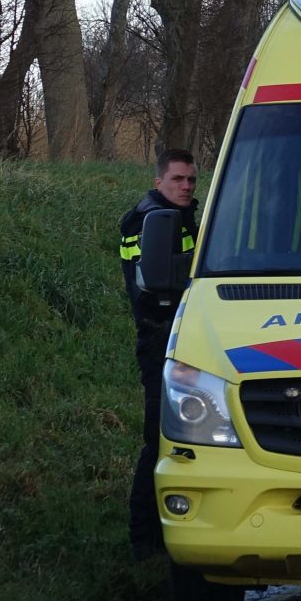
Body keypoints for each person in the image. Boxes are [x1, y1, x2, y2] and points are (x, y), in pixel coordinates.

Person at [118, 149, 200, 559]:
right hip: (159, 342)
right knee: (159, 440)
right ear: (158, 182)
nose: (186, 186)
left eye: (191, 180)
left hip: (186, 343)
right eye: (177, 179)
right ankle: (143, 543)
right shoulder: (145, 221)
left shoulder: (181, 216)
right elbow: (149, 283)